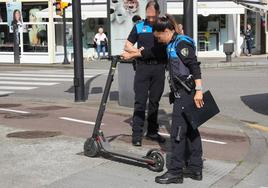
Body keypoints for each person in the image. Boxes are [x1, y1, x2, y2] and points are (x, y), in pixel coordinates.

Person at [153, 15, 203, 184]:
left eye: (160, 36)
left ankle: (175, 172)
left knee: (177, 133)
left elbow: (194, 66)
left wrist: (199, 91)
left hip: (186, 94)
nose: (159, 40)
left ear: (168, 31)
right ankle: (195, 169)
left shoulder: (181, 44)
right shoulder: (172, 43)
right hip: (182, 94)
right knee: (191, 130)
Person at [121, 0, 167, 146]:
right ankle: (136, 134)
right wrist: (137, 52)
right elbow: (127, 46)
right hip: (142, 69)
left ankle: (152, 132)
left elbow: (165, 46)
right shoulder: (140, 26)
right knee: (140, 102)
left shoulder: (162, 27)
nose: (150, 19)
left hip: (159, 68)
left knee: (154, 102)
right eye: (148, 15)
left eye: (153, 16)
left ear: (158, 14)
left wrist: (137, 53)